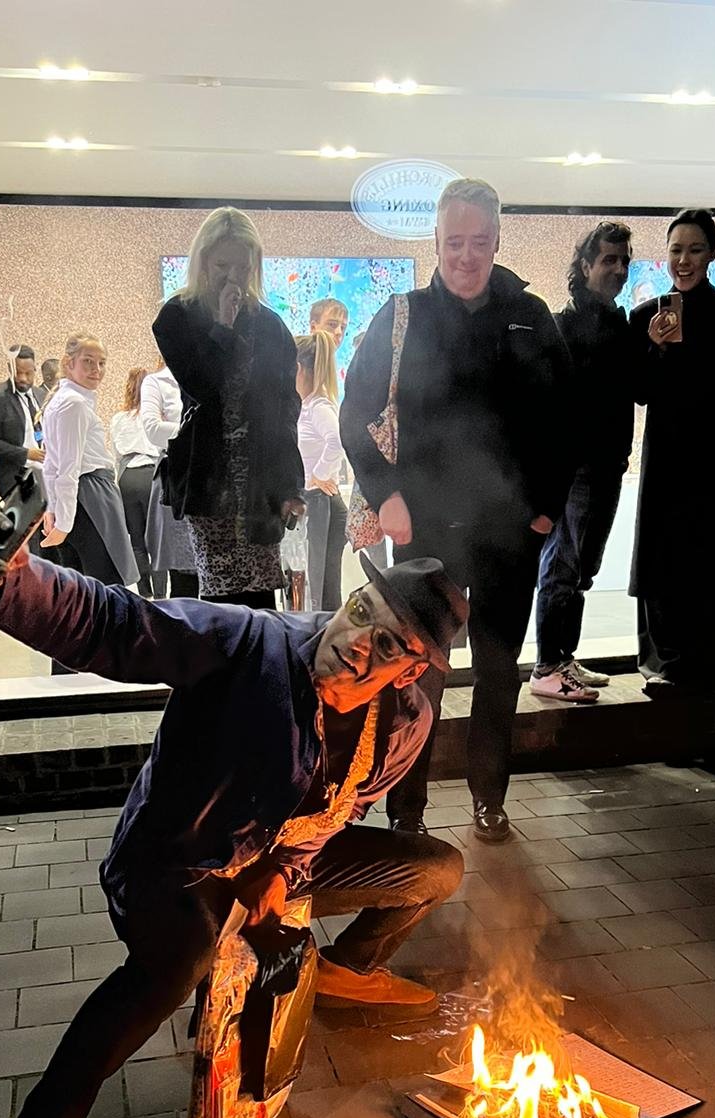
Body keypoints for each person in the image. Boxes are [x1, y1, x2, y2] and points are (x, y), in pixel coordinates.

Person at [0, 513, 467, 1118]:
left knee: (435, 868)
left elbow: (343, 808)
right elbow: (116, 623)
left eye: (388, 644)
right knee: (181, 957)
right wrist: (7, 582)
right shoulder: (249, 644)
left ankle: (345, 971)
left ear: (411, 670)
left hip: (275, 859)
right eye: (362, 612)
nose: (359, 642)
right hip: (174, 862)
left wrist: (279, 877)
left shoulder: (403, 723)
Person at [342, 177, 573, 842]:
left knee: (499, 674)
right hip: (422, 526)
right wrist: (385, 491)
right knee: (417, 681)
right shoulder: (403, 315)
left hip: (509, 529)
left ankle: (487, 798)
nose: (466, 256)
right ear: (436, 242)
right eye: (453, 243)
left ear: (497, 240)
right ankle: (406, 810)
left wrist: (545, 511)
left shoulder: (532, 316)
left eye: (478, 242)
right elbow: (356, 414)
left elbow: (566, 424)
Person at [628, 208, 715, 696]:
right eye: (675, 250)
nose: (683, 260)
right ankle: (664, 665)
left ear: (710, 254)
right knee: (664, 559)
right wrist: (655, 349)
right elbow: (639, 391)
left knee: (713, 560)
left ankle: (708, 665)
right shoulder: (645, 315)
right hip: (667, 453)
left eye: (694, 249)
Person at [153, 207, 306, 608]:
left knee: (260, 598)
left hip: (260, 480)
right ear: (202, 260)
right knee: (219, 600)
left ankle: (262, 670)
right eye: (223, 264)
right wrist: (223, 323)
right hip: (209, 479)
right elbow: (204, 385)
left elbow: (286, 408)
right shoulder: (176, 317)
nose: (233, 275)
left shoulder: (270, 325)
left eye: (243, 265)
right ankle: (219, 671)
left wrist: (291, 486)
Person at [531, 221, 635, 704]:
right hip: (575, 468)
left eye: (623, 260)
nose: (618, 269)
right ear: (586, 265)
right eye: (608, 260)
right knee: (565, 565)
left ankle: (563, 656)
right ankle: (548, 666)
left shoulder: (621, 324)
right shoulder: (563, 324)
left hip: (609, 463)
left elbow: (637, 391)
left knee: (583, 569)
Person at [40, 333, 139, 588]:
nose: (97, 369)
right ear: (68, 362)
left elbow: (52, 465)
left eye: (102, 362)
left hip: (79, 497)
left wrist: (54, 510)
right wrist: (62, 521)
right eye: (88, 361)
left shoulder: (60, 401)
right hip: (91, 495)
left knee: (83, 586)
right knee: (106, 584)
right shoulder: (74, 404)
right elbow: (67, 468)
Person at [139, 362, 201, 600]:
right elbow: (154, 430)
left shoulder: (207, 375)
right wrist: (197, 431)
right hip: (178, 479)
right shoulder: (156, 382)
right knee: (184, 574)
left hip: (210, 480)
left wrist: (177, 430)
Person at [296, 330, 347, 610]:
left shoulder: (318, 406)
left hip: (321, 503)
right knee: (321, 589)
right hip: (316, 503)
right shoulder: (306, 406)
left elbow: (337, 440)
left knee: (321, 590)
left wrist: (320, 475)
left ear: (299, 368)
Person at [110, 366, 159, 597]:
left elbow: (117, 454)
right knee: (157, 540)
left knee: (137, 540)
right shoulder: (155, 418)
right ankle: (162, 596)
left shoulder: (118, 419)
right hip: (151, 475)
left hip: (128, 477)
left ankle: (145, 593)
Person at [0, 346, 46, 499]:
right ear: (10, 369)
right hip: (15, 478)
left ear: (35, 370)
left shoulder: (41, 395)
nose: (23, 378)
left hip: (45, 474)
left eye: (28, 373)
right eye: (18, 372)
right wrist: (26, 454)